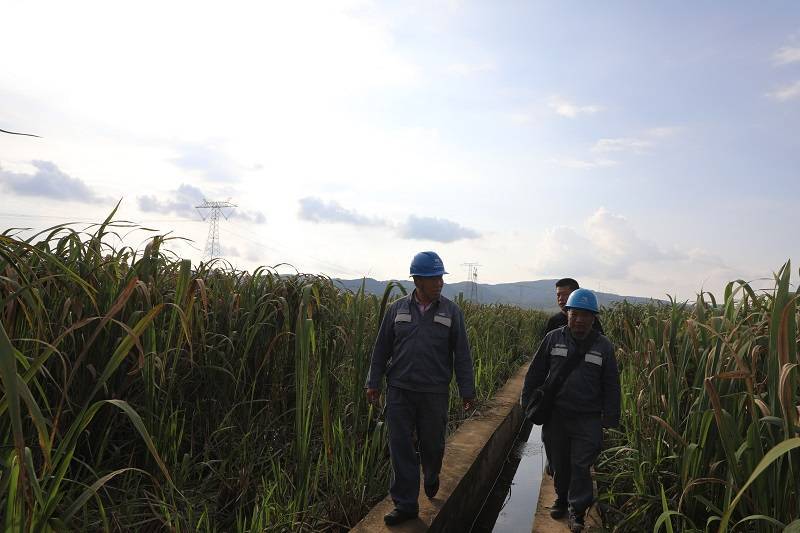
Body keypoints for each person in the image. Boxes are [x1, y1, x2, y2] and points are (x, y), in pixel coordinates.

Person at [366, 251, 476, 526]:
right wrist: (373, 382)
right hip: (400, 390)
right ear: (417, 280)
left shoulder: (452, 312)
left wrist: (467, 390)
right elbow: (381, 349)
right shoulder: (397, 309)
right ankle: (405, 504)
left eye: (440, 277)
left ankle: (432, 473)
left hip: (434, 392)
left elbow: (461, 354)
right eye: (433, 277)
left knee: (434, 445)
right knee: (400, 446)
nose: (439, 282)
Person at [522, 288, 620, 532]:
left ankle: (577, 511)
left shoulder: (603, 346)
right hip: (556, 415)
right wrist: (527, 403)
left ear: (594, 318)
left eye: (586, 315)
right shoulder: (553, 339)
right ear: (567, 314)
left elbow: (611, 384)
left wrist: (610, 417)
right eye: (574, 314)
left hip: (587, 418)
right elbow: (535, 372)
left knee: (580, 464)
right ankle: (561, 498)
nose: (579, 320)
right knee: (558, 462)